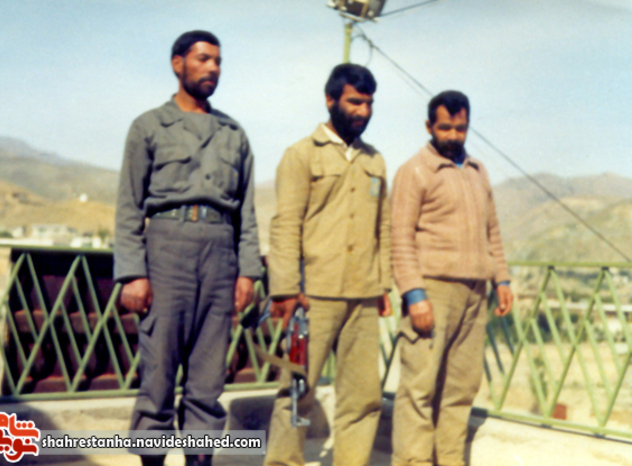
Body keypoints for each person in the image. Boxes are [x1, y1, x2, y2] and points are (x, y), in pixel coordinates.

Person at [113, 30, 262, 466]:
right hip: (166, 250)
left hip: (220, 253)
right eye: (202, 59)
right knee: (158, 375)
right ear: (177, 64)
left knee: (208, 380)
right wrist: (132, 273)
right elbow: (128, 205)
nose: (212, 68)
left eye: (217, 61)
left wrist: (248, 272)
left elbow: (247, 211)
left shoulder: (233, 133)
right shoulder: (148, 126)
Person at [264, 63, 392, 466]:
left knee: (363, 398)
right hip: (312, 297)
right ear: (330, 99)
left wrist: (383, 285)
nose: (363, 111)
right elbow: (286, 225)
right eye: (354, 102)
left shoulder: (375, 161)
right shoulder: (301, 155)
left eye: (368, 103)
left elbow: (383, 227)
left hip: (363, 296)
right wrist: (285, 290)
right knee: (296, 392)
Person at [390, 90, 514, 466]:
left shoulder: (477, 171)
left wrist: (502, 279)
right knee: (420, 387)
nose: (453, 135)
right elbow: (400, 237)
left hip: (475, 293)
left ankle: (449, 459)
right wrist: (414, 294)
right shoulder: (414, 170)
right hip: (432, 291)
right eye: (445, 127)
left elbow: (492, 229)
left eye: (460, 128)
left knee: (461, 387)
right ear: (429, 126)